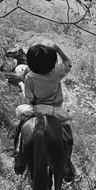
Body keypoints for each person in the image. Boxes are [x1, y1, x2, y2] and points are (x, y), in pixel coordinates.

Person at [13, 43, 75, 182]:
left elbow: (29, 97)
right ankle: (66, 164)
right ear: (52, 61)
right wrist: (58, 49)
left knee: (20, 125)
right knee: (68, 134)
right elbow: (68, 63)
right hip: (55, 111)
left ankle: (19, 157)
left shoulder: (29, 77)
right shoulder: (57, 73)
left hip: (36, 109)